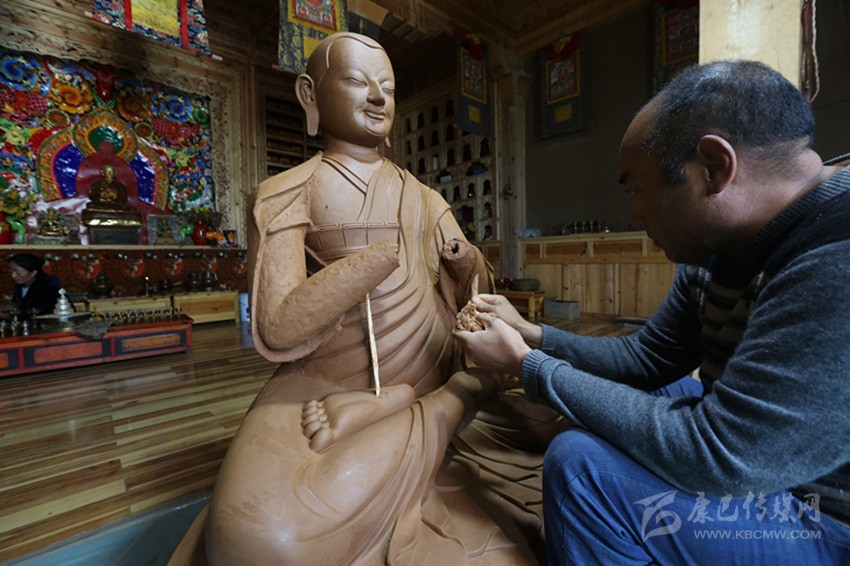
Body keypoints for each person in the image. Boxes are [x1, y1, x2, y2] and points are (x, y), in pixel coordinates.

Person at [172, 33, 557, 566]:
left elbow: (478, 294)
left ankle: (450, 397)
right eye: (357, 81)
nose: (377, 97)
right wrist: (370, 261)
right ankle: (441, 404)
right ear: (310, 95)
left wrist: (467, 264)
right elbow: (278, 326)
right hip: (324, 385)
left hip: (433, 370)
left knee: (558, 425)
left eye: (388, 88)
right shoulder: (286, 191)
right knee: (256, 540)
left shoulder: (426, 197)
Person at [454, 60, 850, 564]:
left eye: (636, 189)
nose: (633, 215)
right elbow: (647, 360)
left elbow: (720, 454)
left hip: (824, 516)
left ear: (713, 168)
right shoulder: (719, 244)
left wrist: (525, 366)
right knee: (658, 388)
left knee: (581, 468)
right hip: (754, 456)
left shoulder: (835, 254)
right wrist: (532, 334)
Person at [1, 253, 61, 319]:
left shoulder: (48, 288)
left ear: (33, 273)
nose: (13, 276)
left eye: (18, 272)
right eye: (11, 272)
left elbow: (34, 314)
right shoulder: (20, 285)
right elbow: (15, 305)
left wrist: (5, 315)